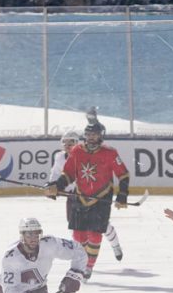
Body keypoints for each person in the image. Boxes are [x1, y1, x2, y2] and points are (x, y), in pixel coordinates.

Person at [49, 115, 130, 280]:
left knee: (94, 235)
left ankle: (88, 266)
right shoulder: (77, 151)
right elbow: (69, 173)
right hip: (81, 197)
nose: (91, 137)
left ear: (101, 135)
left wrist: (122, 195)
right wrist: (57, 186)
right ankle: (82, 261)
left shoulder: (110, 152)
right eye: (88, 134)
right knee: (78, 236)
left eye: (94, 134)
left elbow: (123, 174)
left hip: (101, 198)